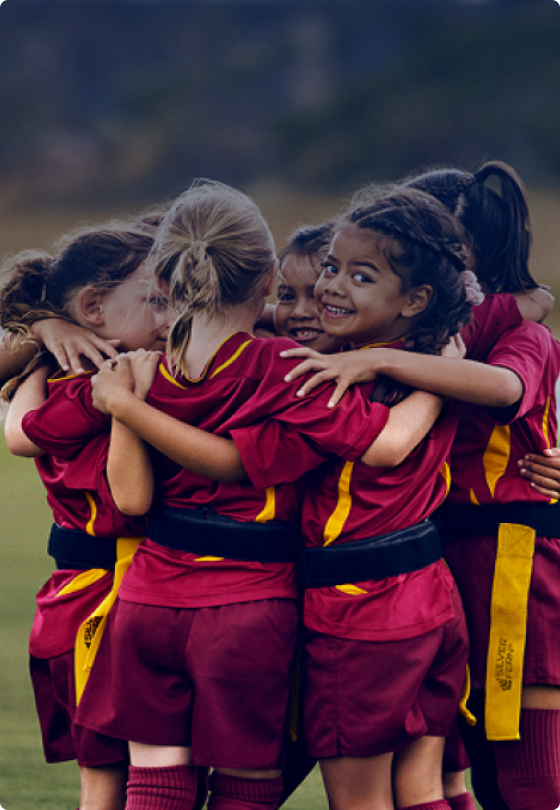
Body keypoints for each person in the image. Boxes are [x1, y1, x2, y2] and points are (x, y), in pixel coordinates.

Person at [73, 180, 452, 810]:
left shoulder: (141, 361)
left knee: (156, 782)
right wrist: (437, 383)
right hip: (244, 607)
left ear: (166, 277)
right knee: (248, 786)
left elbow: (131, 499)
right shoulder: (285, 366)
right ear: (270, 275)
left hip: (145, 602)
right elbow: (384, 445)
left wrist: (120, 405)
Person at [283, 163, 560, 810]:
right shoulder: (376, 328)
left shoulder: (509, 332)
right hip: (425, 564)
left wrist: (377, 359)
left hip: (506, 561)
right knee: (443, 770)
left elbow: (511, 387)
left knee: (525, 769)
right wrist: (46, 322)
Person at [1, 220, 172, 810]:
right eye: (157, 300)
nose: (174, 317)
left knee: (130, 780)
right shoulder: (101, 388)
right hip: (106, 603)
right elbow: (23, 435)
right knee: (111, 783)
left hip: (80, 598)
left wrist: (39, 348)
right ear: (94, 307)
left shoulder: (56, 380)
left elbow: (18, 433)